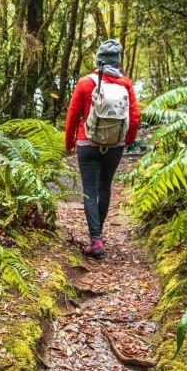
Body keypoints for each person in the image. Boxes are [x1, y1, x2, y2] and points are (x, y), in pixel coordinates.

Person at [64, 39, 140, 258]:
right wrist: (128, 140)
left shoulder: (85, 83)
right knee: (104, 189)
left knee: (89, 191)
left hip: (87, 143)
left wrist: (69, 142)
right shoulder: (126, 84)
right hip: (114, 144)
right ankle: (99, 234)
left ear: (98, 61)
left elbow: (72, 116)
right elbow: (134, 118)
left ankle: (96, 239)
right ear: (117, 62)